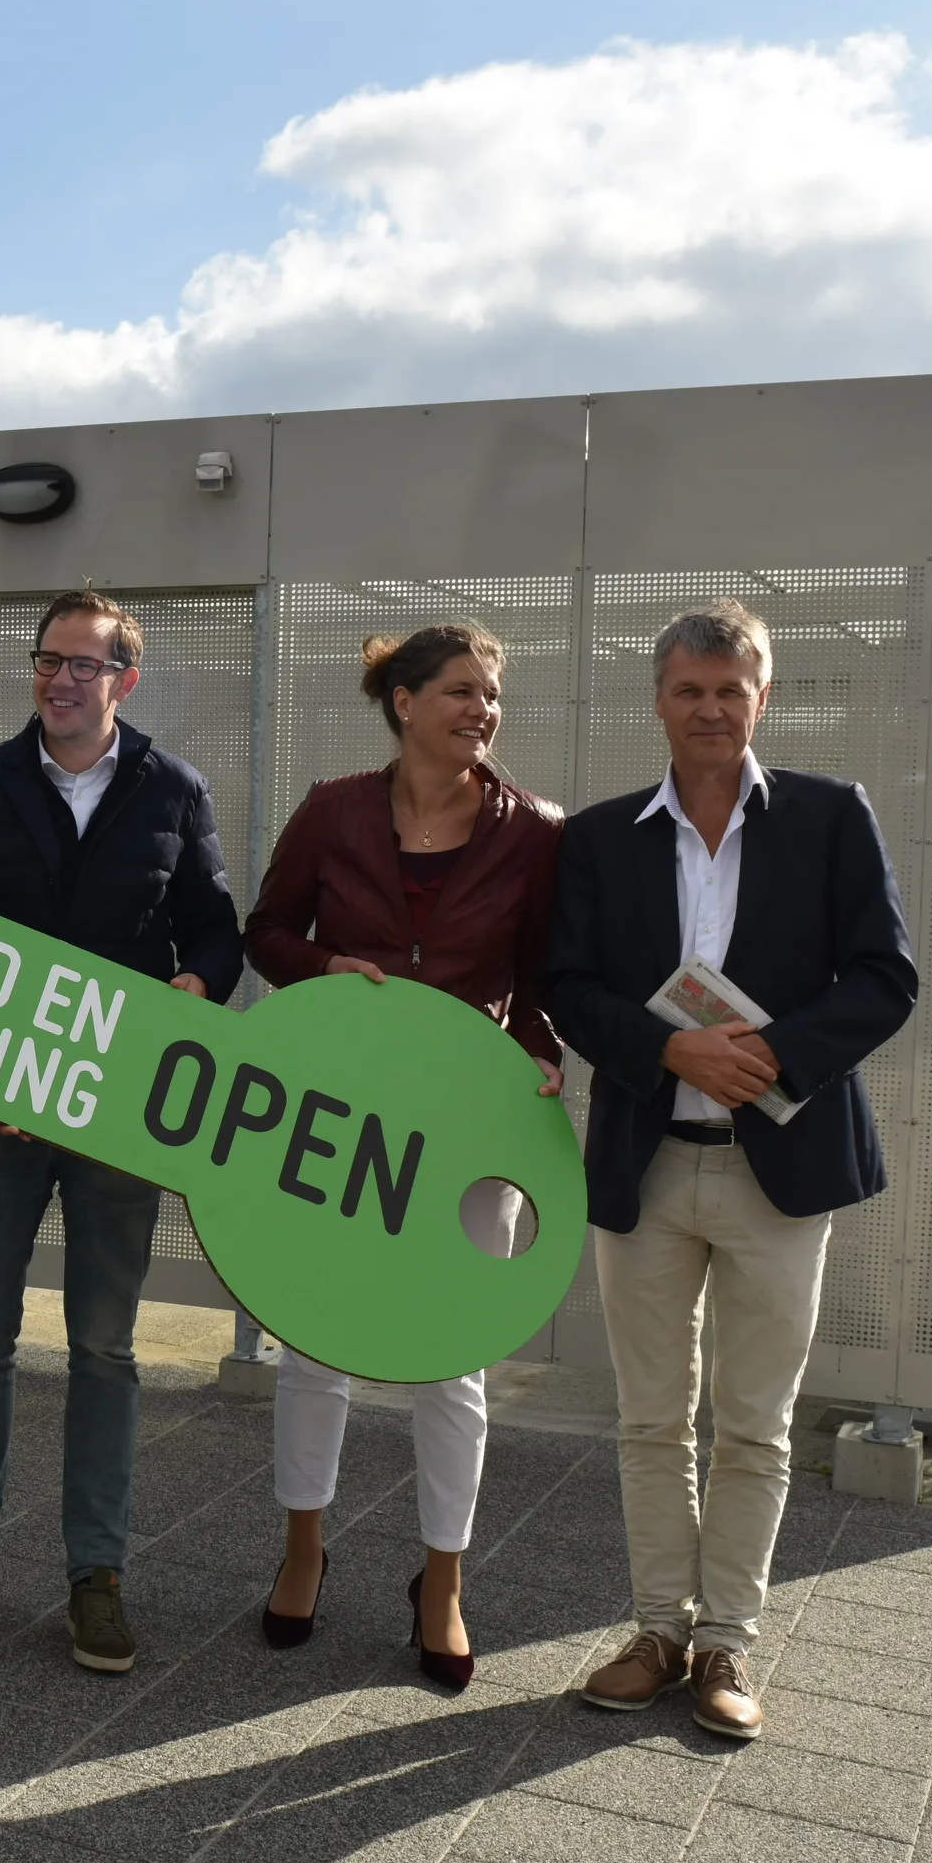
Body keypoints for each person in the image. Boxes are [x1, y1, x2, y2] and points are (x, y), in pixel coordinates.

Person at [546, 600, 917, 1741]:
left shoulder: (828, 817)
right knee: (651, 1417)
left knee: (754, 1421)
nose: (709, 707)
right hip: (647, 1163)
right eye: (687, 689)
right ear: (657, 700)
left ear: (762, 695)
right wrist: (666, 1045)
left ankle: (725, 1644)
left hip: (779, 1166)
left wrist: (767, 1053)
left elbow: (884, 976)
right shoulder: (600, 837)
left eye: (730, 687)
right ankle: (657, 1628)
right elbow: (567, 984)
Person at [0, 589, 244, 1674]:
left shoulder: (173, 789)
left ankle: (96, 1573)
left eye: (83, 664)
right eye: (46, 660)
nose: (59, 679)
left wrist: (195, 982)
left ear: (125, 679)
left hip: (117, 1114)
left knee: (105, 1348)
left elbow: (213, 928)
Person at [242, 625, 564, 1691]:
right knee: (314, 1343)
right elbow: (266, 931)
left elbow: (540, 976)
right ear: (405, 702)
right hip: (339, 1108)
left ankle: (441, 1582)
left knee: (449, 1357)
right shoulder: (332, 809)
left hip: (471, 1125)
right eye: (462, 691)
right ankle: (301, 1552)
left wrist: (539, 1050)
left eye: (491, 694)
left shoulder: (532, 834)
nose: (483, 710)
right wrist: (323, 965)